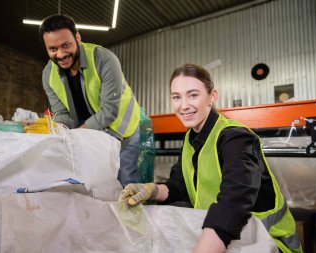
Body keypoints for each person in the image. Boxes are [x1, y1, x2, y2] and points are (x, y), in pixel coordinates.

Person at [119, 64, 302, 253]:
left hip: (266, 242)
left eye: (193, 95)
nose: (184, 105)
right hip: (228, 237)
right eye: (176, 97)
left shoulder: (235, 138)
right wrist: (152, 190)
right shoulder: (191, 139)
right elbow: (179, 185)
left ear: (212, 97)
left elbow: (233, 203)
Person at [39, 14, 140, 186]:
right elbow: (62, 113)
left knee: (125, 182)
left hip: (121, 127)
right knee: (92, 184)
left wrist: (77, 134)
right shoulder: (48, 75)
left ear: (77, 38)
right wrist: (58, 131)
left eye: (65, 45)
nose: (61, 54)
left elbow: (109, 112)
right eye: (53, 49)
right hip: (87, 131)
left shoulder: (104, 60)